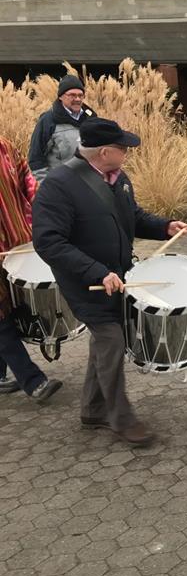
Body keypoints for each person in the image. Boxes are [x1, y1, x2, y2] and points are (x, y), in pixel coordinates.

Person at [32, 117, 187, 446]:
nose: (128, 153)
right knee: (112, 339)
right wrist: (96, 272)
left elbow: (131, 217)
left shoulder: (118, 177)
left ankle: (93, 409)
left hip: (119, 275)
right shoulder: (59, 185)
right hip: (85, 281)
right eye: (123, 148)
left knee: (105, 342)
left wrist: (164, 227)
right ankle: (121, 418)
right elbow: (48, 242)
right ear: (104, 152)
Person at [0, 136, 63, 402]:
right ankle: (33, 381)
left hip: (18, 246)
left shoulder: (4, 146)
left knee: (11, 309)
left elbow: (28, 180)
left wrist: (44, 212)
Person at [28, 74, 96, 181]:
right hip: (60, 185)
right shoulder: (48, 121)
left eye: (80, 95)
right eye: (72, 95)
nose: (77, 99)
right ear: (60, 97)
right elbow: (36, 159)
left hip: (88, 184)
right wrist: (48, 186)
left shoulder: (92, 118)